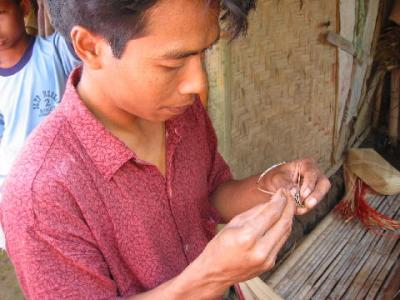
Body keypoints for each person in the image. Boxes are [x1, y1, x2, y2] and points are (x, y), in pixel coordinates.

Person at [0, 0, 331, 299]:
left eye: (204, 52)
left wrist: (269, 186)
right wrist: (210, 278)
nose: (198, 83)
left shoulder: (180, 111)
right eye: (173, 64)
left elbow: (210, 195)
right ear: (90, 47)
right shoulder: (38, 197)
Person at [0, 0, 80, 249]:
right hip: (18, 195)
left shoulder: (57, 52)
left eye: (0, 14)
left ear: (24, 8)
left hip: (69, 186)